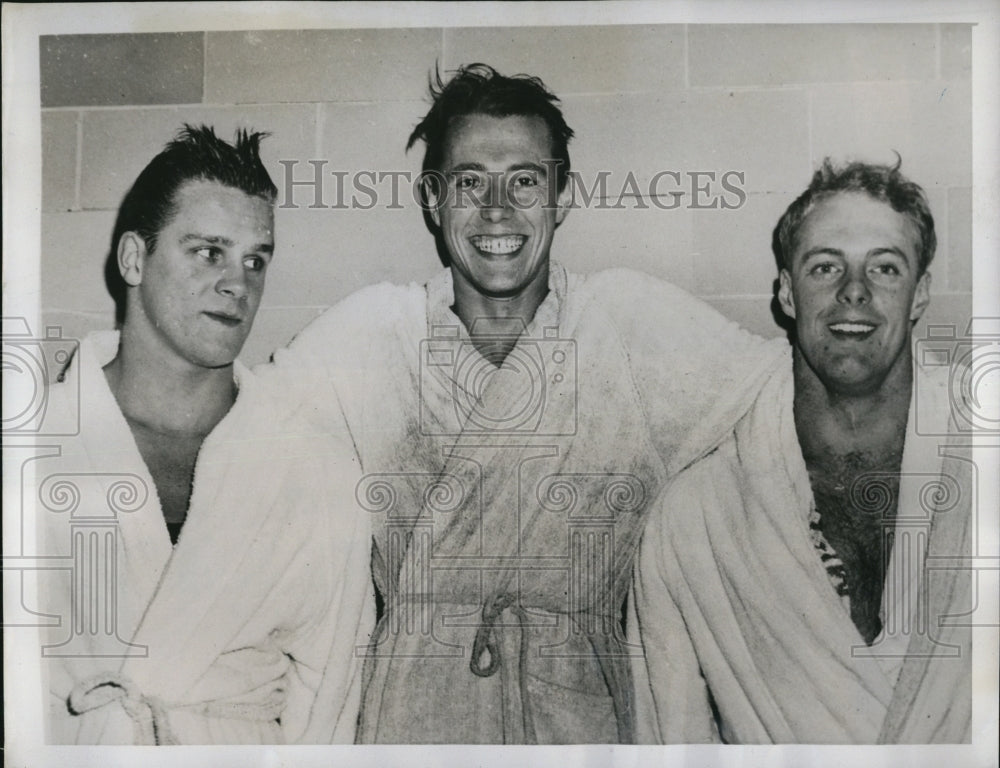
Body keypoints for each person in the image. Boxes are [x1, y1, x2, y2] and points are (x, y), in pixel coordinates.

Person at [256, 64, 788, 744]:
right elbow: (244, 433)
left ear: (561, 196)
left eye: (525, 181)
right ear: (433, 200)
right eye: (471, 181)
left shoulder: (626, 324)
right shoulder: (374, 335)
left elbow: (786, 402)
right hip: (413, 714)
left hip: (584, 714)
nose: (498, 209)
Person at [36, 125, 373, 744]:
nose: (237, 284)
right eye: (208, 252)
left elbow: (329, 699)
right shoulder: (33, 447)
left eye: (255, 260)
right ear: (134, 258)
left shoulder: (315, 471)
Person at [631, 158, 972, 743]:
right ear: (788, 292)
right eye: (824, 268)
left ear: (921, 295)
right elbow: (670, 738)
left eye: (885, 268)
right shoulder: (696, 522)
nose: (854, 292)